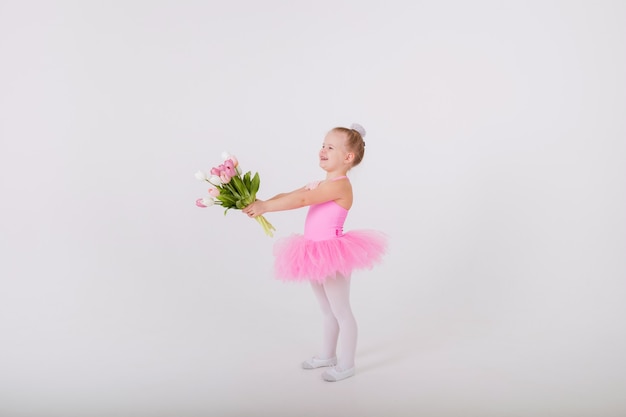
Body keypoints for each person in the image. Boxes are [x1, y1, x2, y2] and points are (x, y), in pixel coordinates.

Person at [243, 123, 387, 382]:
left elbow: (302, 201)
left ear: (347, 157)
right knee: (326, 310)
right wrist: (260, 202)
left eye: (330, 147)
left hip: (332, 253)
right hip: (313, 252)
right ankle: (327, 355)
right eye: (322, 145)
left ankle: (347, 364)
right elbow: (292, 194)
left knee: (341, 310)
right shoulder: (322, 183)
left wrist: (267, 207)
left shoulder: (340, 186)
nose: (322, 150)